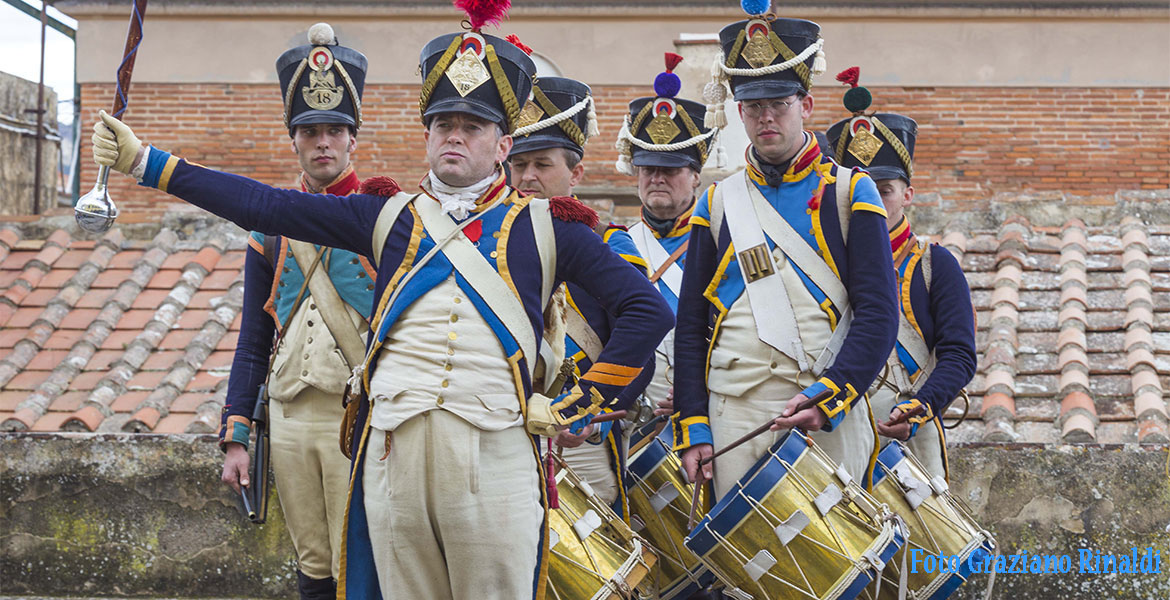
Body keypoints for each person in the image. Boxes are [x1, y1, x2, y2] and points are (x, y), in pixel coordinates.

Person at [91, 6, 672, 598]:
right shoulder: (387, 218)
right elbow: (267, 207)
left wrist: (581, 402)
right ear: (426, 134)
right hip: (392, 452)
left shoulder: (552, 228)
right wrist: (149, 164)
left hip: (493, 457)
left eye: (472, 125)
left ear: (503, 143)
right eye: (443, 122)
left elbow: (648, 312)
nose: (454, 135)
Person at [672, 3, 899, 501]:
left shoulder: (849, 192)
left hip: (822, 397)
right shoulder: (716, 201)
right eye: (753, 107)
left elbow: (880, 312)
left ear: (807, 105)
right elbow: (692, 323)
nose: (766, 117)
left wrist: (833, 395)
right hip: (735, 407)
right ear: (739, 112)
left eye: (779, 103)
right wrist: (695, 422)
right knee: (747, 570)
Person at [216, 23, 368, 599]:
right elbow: (254, 339)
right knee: (311, 563)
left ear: (353, 138)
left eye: (334, 130)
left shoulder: (382, 220)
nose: (323, 142)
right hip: (288, 416)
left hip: (357, 416)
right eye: (310, 132)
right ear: (294, 140)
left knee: (361, 556)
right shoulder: (269, 231)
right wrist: (237, 434)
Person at [507, 69, 652, 512]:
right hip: (506, 433)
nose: (528, 176)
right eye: (518, 164)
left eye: (543, 164)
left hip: (580, 440)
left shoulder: (611, 245)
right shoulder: (488, 251)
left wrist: (590, 416)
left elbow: (639, 347)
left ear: (576, 173)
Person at [827, 67, 977, 479]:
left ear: (907, 194)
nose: (872, 200)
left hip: (909, 434)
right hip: (832, 431)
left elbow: (959, 355)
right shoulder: (822, 264)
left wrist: (919, 407)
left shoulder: (935, 264)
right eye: (861, 189)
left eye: (885, 190)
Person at [613, 53, 713, 427]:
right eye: (648, 168)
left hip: (703, 406)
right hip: (632, 410)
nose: (656, 177)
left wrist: (697, 389)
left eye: (670, 169)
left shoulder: (720, 241)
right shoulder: (616, 244)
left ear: (695, 176)